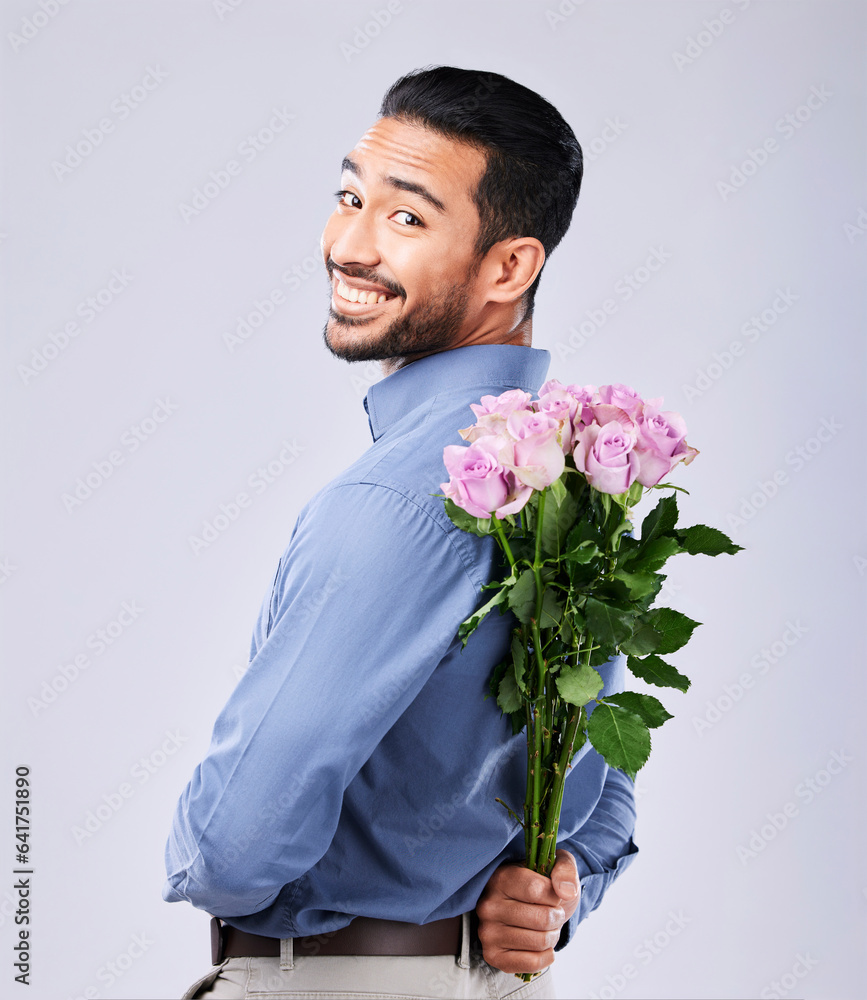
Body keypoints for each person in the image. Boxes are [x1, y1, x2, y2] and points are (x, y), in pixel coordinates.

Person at [163, 65, 638, 1000]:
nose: (348, 243)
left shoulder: (395, 498)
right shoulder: (574, 479)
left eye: (406, 218)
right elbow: (606, 771)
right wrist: (559, 892)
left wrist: (194, 859)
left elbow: (234, 845)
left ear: (509, 267)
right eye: (349, 198)